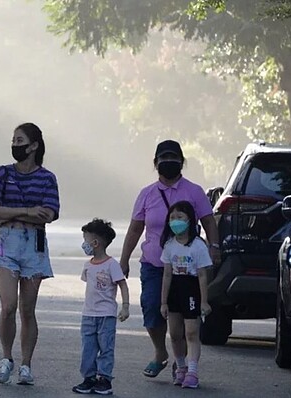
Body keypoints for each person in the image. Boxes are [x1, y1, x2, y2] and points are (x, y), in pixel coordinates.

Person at [119, 140, 220, 379]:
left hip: (187, 269)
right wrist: (124, 260)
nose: (168, 163)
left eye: (173, 158)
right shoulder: (147, 194)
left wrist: (214, 248)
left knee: (185, 316)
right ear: (155, 164)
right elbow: (135, 229)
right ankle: (160, 353)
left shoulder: (194, 191)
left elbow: (208, 222)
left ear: (182, 162)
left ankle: (181, 362)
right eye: (163, 159)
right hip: (155, 265)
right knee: (152, 309)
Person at [0, 122, 60, 385]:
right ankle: (6, 357)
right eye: (14, 141)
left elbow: (48, 214)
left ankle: (26, 364)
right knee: (8, 306)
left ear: (34, 145)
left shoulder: (47, 178)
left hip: (34, 245)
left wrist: (11, 210)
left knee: (27, 309)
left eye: (20, 141)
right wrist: (27, 212)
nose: (16, 145)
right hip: (6, 243)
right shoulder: (2, 173)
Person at [72, 219, 129, 396]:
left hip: (106, 315)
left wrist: (125, 306)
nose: (84, 244)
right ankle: (88, 378)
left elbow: (122, 284)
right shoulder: (88, 265)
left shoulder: (112, 264)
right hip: (88, 314)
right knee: (88, 347)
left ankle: (104, 379)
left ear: (95, 243)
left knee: (106, 347)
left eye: (85, 239)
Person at [160, 201, 212, 388]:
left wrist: (204, 301)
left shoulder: (198, 246)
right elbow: (166, 275)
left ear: (190, 220)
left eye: (180, 217)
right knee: (175, 333)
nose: (176, 221)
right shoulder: (169, 246)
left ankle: (192, 372)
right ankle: (180, 367)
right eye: (172, 218)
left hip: (191, 289)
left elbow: (202, 274)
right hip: (175, 289)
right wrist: (163, 302)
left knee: (191, 332)